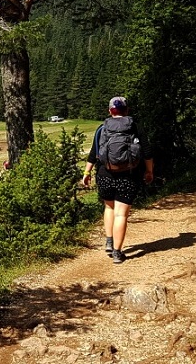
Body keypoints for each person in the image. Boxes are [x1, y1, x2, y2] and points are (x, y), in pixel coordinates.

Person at [82, 96, 154, 264]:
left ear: (110, 111)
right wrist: (149, 171)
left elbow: (94, 153)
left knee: (109, 207)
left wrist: (86, 173)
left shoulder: (102, 128)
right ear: (127, 110)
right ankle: (117, 252)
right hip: (128, 175)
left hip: (105, 173)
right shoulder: (135, 127)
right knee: (121, 214)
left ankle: (109, 241)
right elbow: (147, 151)